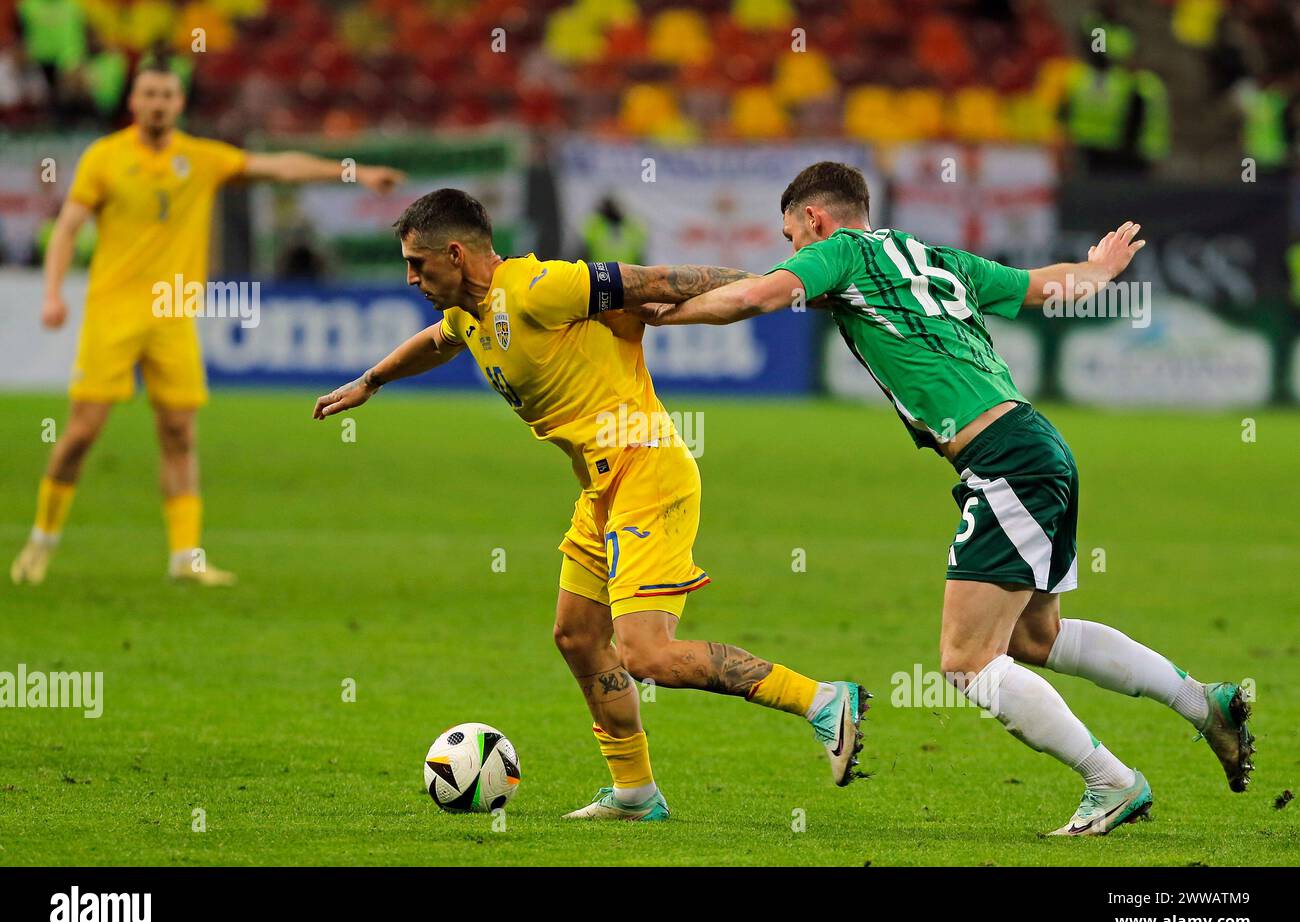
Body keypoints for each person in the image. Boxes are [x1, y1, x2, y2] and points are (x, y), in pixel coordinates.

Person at [640, 161, 1254, 835]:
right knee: (1035, 635)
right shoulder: (931, 257)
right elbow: (1044, 287)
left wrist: (655, 321)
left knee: (966, 661)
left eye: (792, 237)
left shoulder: (840, 253)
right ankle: (1205, 704)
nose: (793, 254)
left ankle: (1112, 782)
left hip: (1004, 461)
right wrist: (1100, 271)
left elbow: (755, 298)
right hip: (1034, 444)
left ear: (815, 219)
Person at [312, 188, 869, 821]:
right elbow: (439, 342)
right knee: (577, 637)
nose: (410, 277)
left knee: (647, 655)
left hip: (647, 470)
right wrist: (371, 381)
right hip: (601, 488)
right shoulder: (470, 312)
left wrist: (789, 285)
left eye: (418, 263)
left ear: (457, 253)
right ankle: (635, 793)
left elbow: (660, 280)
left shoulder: (537, 288)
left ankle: (823, 700)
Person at [10, 64, 404, 587]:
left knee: (178, 433)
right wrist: (54, 293)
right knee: (82, 431)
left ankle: (185, 558)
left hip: (174, 315)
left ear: (179, 103)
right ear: (133, 100)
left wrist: (352, 173)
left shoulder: (201, 159)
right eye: (149, 93)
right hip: (114, 311)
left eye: (167, 94)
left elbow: (279, 167)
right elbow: (67, 229)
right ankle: (42, 539)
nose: (157, 102)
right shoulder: (105, 158)